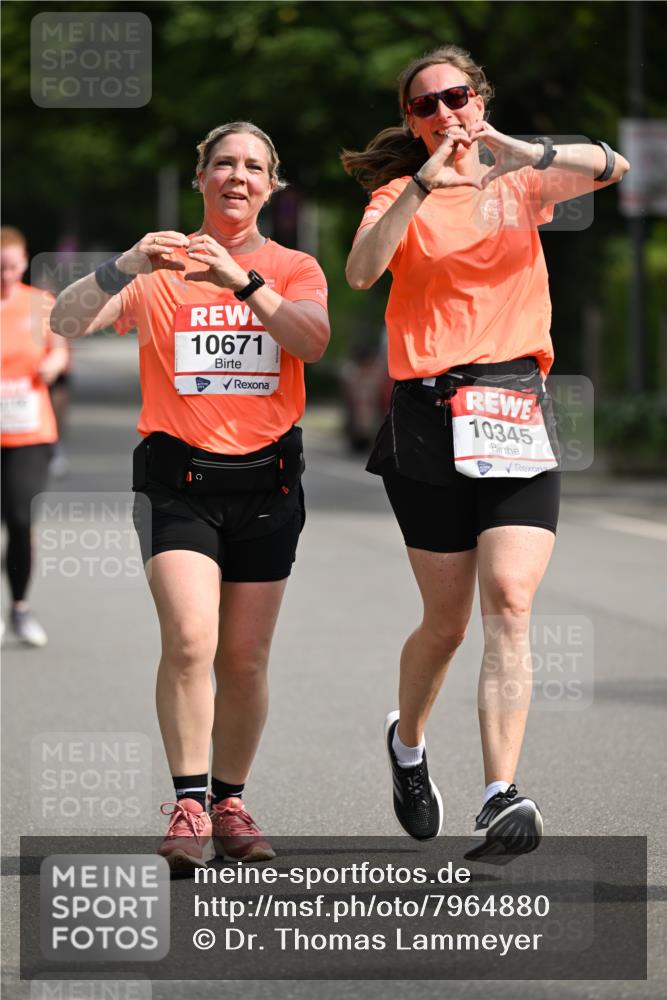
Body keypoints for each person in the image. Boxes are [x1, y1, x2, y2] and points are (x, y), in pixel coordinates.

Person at [342, 45, 629, 862]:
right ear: (409, 120)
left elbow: (615, 164)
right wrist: (422, 186)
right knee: (445, 623)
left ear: (478, 99)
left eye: (454, 98)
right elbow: (363, 272)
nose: (442, 115)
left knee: (508, 599)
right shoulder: (397, 193)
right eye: (423, 106)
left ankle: (501, 793)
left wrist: (516, 147)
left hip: (509, 402)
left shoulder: (519, 183)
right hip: (426, 414)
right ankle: (407, 743)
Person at [50, 122, 330, 874]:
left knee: (243, 658)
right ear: (201, 177)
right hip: (178, 485)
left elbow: (310, 342)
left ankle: (230, 801)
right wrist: (122, 266)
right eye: (224, 165)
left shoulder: (293, 266)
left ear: (271, 186)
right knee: (190, 639)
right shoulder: (158, 267)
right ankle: (188, 803)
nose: (238, 177)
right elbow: (65, 323)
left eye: (254, 167)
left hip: (266, 483)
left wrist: (242, 283)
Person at [1, 226, 69, 646]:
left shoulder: (40, 304)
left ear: (24, 262)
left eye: (11, 266)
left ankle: (20, 609)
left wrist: (54, 364)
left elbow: (60, 349)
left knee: (21, 520)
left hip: (29, 431)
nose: (5, 274)